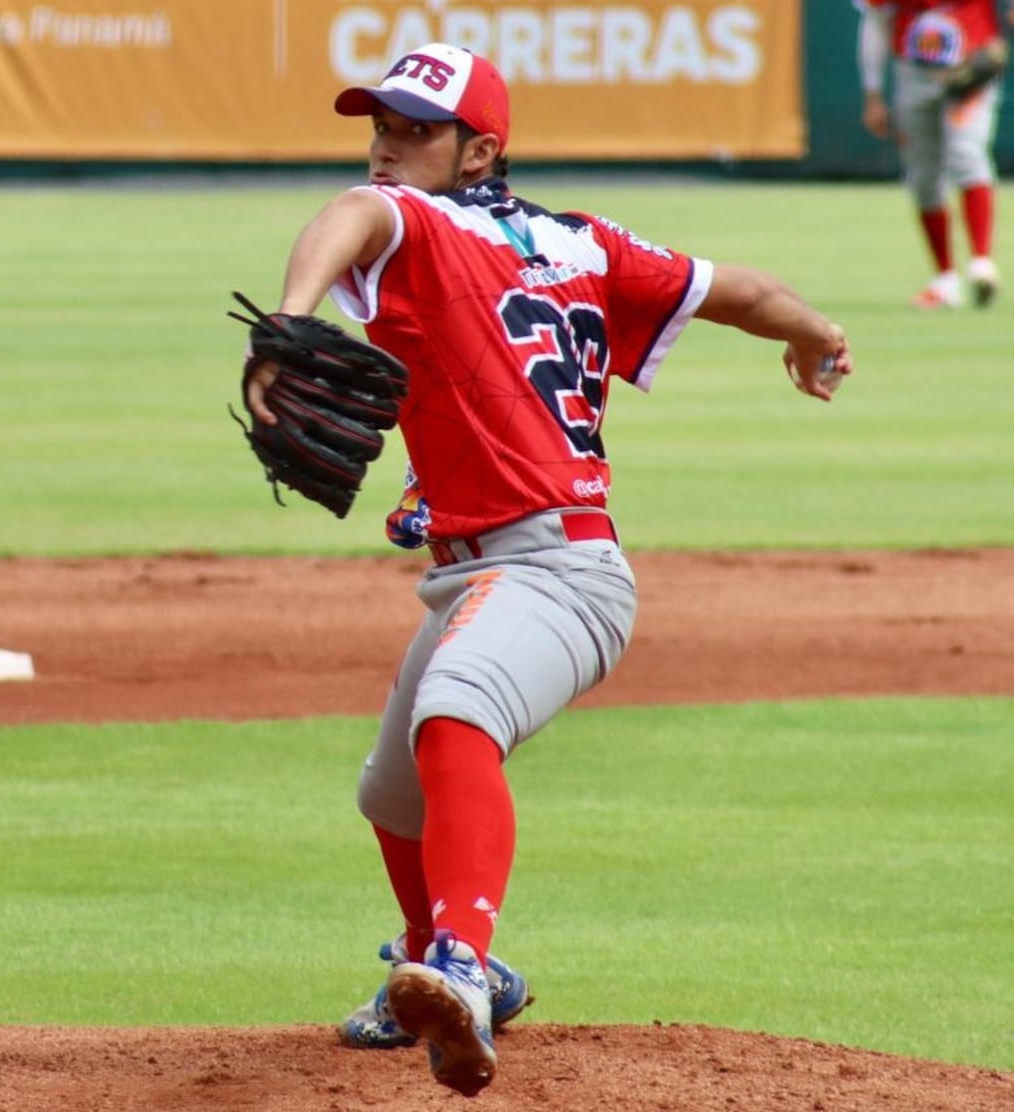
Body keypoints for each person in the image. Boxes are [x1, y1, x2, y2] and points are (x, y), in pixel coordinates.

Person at [243, 42, 852, 1097]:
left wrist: (293, 318)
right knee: (393, 793)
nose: (388, 146)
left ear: (481, 149)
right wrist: (817, 332)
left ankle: (463, 972)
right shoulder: (583, 243)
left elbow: (350, 216)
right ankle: (437, 959)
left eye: (415, 129)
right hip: (481, 571)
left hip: (563, 567)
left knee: (457, 712)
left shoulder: (417, 218)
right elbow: (737, 288)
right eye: (380, 124)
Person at [856, 0, 1014, 309]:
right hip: (913, 71)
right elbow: (875, 21)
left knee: (966, 154)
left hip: (971, 67)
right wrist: (872, 92)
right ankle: (945, 280)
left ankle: (981, 262)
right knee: (924, 176)